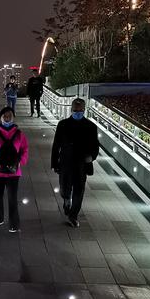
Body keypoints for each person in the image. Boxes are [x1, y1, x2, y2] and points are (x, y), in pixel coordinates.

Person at [50, 97, 99, 227]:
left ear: (84, 110)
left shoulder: (91, 126)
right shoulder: (63, 124)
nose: (78, 112)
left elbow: (95, 146)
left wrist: (91, 157)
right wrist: (54, 163)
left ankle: (73, 215)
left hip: (81, 164)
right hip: (66, 162)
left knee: (79, 190)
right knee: (65, 187)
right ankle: (66, 200)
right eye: (76, 110)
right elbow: (56, 145)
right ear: (71, 110)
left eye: (80, 110)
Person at [0, 106, 29, 233]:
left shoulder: (19, 134)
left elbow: (25, 149)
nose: (7, 118)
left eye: (10, 116)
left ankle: (14, 224)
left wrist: (20, 162)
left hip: (14, 172)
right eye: (5, 116)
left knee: (13, 198)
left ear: (13, 118)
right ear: (1, 117)